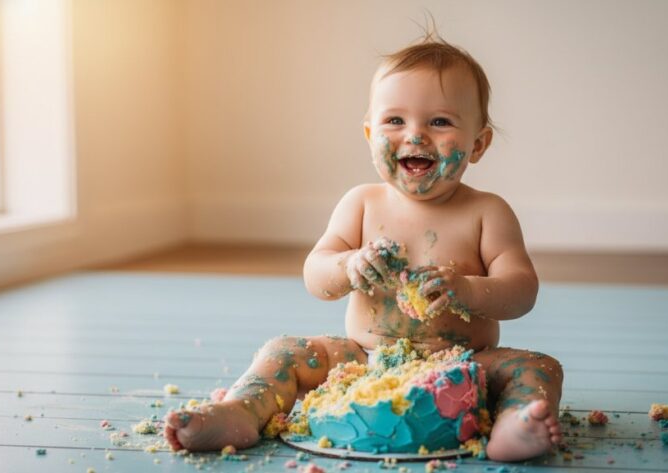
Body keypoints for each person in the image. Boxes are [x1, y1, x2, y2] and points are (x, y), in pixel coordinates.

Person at [164, 35, 563, 462]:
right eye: (395, 121)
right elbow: (316, 274)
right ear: (370, 133)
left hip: (465, 366)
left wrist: (467, 290)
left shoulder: (487, 212)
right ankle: (241, 411)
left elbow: (522, 289)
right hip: (361, 360)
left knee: (540, 367)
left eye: (440, 122)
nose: (415, 135)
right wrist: (349, 265)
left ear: (478, 144)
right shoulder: (361, 203)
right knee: (283, 351)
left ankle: (514, 426)